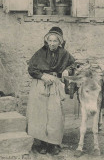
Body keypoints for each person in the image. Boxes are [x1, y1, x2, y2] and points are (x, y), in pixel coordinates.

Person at [27, 27, 75, 155]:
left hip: (55, 85)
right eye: (50, 40)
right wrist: (43, 76)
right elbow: (31, 68)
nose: (52, 43)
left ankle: (53, 144)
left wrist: (67, 70)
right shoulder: (40, 53)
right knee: (40, 115)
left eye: (55, 41)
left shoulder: (64, 53)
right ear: (46, 41)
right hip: (40, 84)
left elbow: (73, 64)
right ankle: (41, 143)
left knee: (55, 115)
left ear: (60, 42)